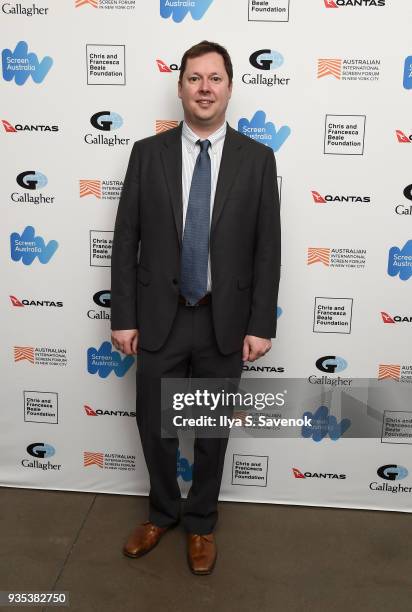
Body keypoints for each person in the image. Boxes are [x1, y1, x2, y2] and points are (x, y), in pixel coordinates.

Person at [110, 40, 281, 575]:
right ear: (180, 86)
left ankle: (202, 521)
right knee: (154, 427)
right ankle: (163, 511)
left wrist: (260, 322)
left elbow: (267, 247)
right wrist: (123, 315)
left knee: (210, 430)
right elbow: (125, 240)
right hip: (159, 318)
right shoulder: (146, 154)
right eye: (194, 78)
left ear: (230, 87)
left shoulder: (258, 159)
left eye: (215, 78)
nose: (204, 87)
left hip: (221, 321)